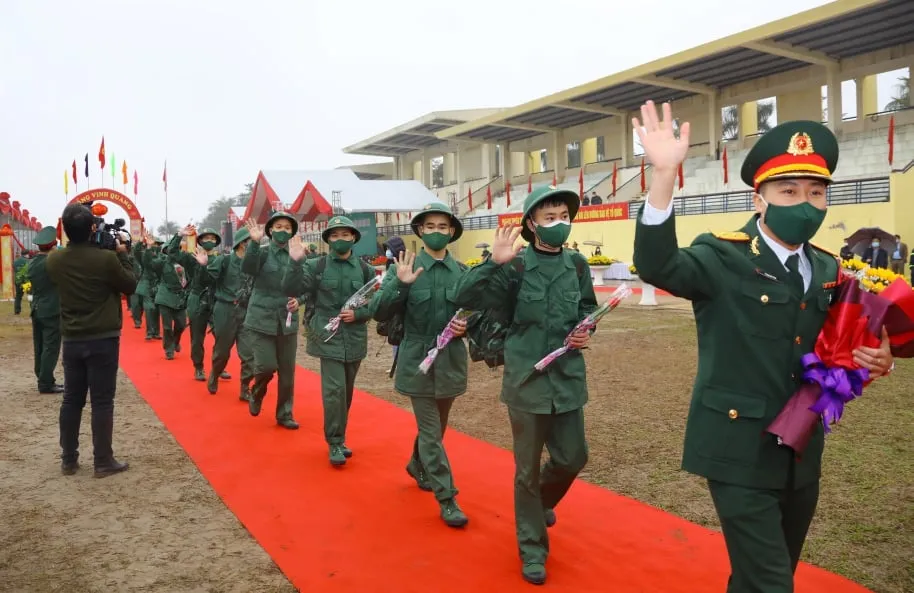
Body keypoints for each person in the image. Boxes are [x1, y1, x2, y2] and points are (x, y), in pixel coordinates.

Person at [631, 101, 895, 593]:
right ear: (760, 199)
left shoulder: (827, 267)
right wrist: (664, 174)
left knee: (764, 579)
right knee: (773, 584)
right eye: (788, 190)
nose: (804, 203)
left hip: (800, 449)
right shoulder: (722, 255)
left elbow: (840, 345)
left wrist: (877, 360)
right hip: (738, 447)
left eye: (816, 192)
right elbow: (658, 265)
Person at [453, 186, 596, 585]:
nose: (558, 224)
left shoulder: (577, 264)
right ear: (532, 224)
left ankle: (539, 504)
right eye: (549, 218)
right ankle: (532, 548)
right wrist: (492, 264)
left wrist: (587, 328)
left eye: (563, 216)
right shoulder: (514, 266)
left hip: (567, 377)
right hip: (526, 379)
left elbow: (587, 307)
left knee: (573, 458)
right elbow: (461, 295)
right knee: (526, 471)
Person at [374, 203, 470, 526]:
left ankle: (417, 464)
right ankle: (447, 497)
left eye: (443, 227)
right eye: (430, 226)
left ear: (452, 231)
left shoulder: (462, 272)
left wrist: (467, 325)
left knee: (437, 428)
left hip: (450, 360)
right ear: (420, 231)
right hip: (417, 360)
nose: (436, 232)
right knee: (431, 431)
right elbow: (379, 310)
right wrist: (400, 284)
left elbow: (479, 311)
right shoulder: (405, 266)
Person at [47, 203, 137, 477]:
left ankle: (68, 459)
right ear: (92, 228)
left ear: (65, 230)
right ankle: (103, 460)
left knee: (71, 400)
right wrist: (123, 255)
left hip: (72, 338)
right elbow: (130, 284)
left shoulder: (54, 260)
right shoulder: (106, 260)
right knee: (102, 401)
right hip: (102, 338)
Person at [282, 216, 377, 463]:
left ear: (354, 237)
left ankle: (340, 437)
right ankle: (334, 442)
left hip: (354, 337)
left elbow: (376, 304)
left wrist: (359, 314)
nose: (340, 239)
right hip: (327, 336)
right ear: (328, 239)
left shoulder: (365, 270)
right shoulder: (317, 266)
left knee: (346, 393)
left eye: (345, 235)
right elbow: (291, 287)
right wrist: (295, 262)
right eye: (334, 235)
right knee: (334, 391)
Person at [242, 212, 301, 430]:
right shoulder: (262, 252)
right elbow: (248, 268)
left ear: (292, 232)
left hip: (287, 321)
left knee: (287, 373)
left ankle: (285, 413)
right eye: (278, 226)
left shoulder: (298, 254)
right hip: (261, 319)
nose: (283, 230)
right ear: (270, 230)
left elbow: (306, 285)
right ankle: (257, 392)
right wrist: (254, 243)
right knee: (266, 367)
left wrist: (300, 300)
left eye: (287, 227)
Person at [206, 227, 255, 398]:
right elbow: (207, 278)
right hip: (225, 309)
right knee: (222, 352)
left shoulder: (253, 263)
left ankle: (245, 387)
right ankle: (215, 373)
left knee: (249, 354)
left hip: (246, 311)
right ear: (242, 243)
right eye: (251, 241)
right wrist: (204, 265)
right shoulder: (224, 260)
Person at [188, 228, 228, 382]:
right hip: (198, 300)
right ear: (200, 241)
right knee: (197, 338)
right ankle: (198, 367)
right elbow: (172, 253)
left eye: (212, 238)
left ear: (216, 242)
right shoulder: (192, 258)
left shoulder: (221, 259)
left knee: (222, 336)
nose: (209, 241)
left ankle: (219, 366)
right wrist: (179, 236)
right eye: (206, 238)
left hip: (216, 300)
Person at [28, 227, 63, 394]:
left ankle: (42, 376)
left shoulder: (33, 262)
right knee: (51, 347)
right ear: (53, 245)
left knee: (39, 346)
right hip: (51, 309)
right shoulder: (51, 263)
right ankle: (46, 382)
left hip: (37, 308)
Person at [133, 236, 163, 340]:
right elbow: (136, 252)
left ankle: (156, 332)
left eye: (157, 244)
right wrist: (140, 242)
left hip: (158, 285)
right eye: (153, 244)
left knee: (156, 309)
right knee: (149, 308)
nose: (156, 246)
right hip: (146, 285)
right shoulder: (144, 255)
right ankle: (150, 332)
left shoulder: (162, 256)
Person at [13, 250, 30, 315]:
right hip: (26, 281)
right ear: (27, 254)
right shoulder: (28, 261)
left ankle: (17, 311)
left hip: (18, 281)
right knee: (30, 295)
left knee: (18, 296)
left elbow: (15, 270)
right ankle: (33, 308)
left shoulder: (15, 262)